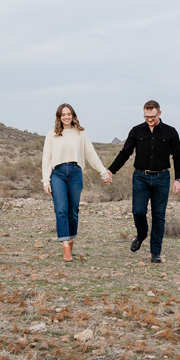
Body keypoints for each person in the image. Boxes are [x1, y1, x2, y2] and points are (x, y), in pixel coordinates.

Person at [107, 100, 180, 263]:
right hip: (140, 177)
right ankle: (141, 235)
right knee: (138, 211)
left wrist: (178, 179)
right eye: (146, 116)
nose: (149, 119)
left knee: (158, 216)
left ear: (159, 114)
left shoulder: (170, 132)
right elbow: (125, 152)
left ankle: (155, 252)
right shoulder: (136, 131)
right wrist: (111, 170)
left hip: (162, 178)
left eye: (152, 116)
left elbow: (178, 156)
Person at [42, 103, 111, 261]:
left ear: (73, 115)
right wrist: (46, 181)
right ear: (59, 117)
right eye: (63, 114)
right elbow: (46, 159)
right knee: (61, 209)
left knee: (73, 211)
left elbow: (91, 154)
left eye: (69, 114)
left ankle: (70, 240)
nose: (66, 117)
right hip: (57, 174)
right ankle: (65, 246)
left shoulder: (81, 133)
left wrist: (103, 172)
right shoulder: (52, 134)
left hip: (75, 173)